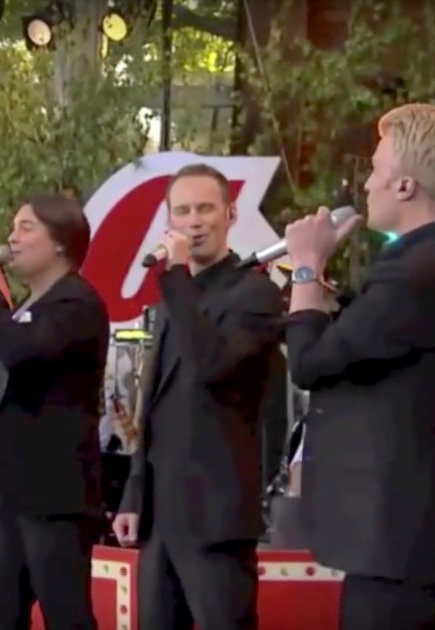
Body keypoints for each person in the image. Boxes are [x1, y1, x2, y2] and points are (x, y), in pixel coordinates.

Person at [283, 103, 435, 629]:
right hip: (410, 532)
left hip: (397, 534)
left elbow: (310, 363)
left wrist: (306, 268)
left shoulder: (418, 273)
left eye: (376, 170)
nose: (367, 185)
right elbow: (368, 347)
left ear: (405, 186)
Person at [112, 163, 285, 630]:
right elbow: (153, 406)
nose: (194, 221)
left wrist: (175, 276)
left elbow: (212, 365)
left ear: (230, 215)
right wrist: (134, 493)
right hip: (160, 515)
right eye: (183, 211)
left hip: (215, 516)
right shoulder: (175, 298)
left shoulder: (255, 294)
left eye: (206, 209)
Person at [0, 195, 109, 630]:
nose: (12, 238)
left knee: (65, 613)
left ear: (60, 241)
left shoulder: (77, 304)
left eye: (26, 228)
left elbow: (24, 355)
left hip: (53, 491)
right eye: (13, 227)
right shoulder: (26, 308)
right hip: (7, 491)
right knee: (0, 612)